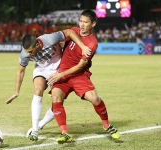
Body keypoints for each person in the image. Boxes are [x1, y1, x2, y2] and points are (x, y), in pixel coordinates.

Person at [47, 9, 120, 144]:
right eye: (80, 21)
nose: (82, 24)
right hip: (63, 74)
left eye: (85, 22)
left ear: (93, 24)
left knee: (94, 98)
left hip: (78, 75)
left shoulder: (92, 43)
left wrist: (60, 74)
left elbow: (80, 66)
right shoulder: (74, 31)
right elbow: (61, 39)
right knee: (56, 97)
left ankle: (106, 124)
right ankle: (65, 133)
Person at [6, 29, 92, 141]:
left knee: (57, 102)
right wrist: (16, 91)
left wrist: (83, 47)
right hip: (41, 69)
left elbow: (70, 32)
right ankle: (35, 130)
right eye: (27, 52)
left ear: (37, 44)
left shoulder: (49, 39)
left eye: (31, 51)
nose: (29, 54)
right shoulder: (25, 53)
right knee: (37, 90)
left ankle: (41, 124)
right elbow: (20, 71)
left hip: (58, 70)